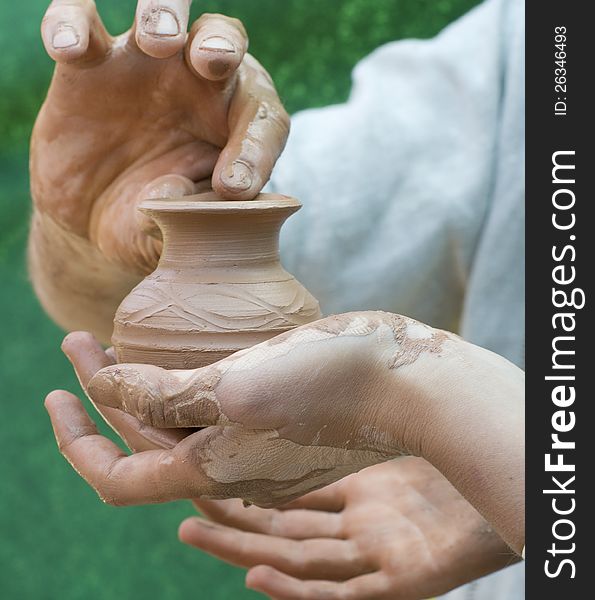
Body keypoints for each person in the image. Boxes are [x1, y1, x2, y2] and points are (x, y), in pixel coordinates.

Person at [32, 0, 525, 598]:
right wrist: (92, 230)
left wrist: (432, 403)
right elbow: (208, 258)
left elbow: (383, 375)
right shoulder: (549, 55)